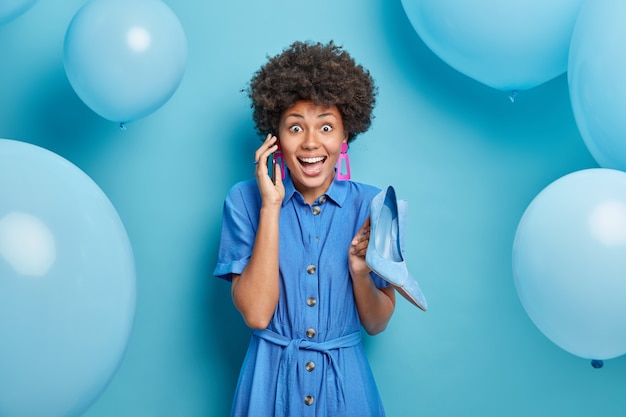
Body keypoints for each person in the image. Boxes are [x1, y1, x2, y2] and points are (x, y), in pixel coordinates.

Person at [214, 40, 396, 417]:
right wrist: (271, 206)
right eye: (295, 127)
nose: (311, 142)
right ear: (275, 138)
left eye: (326, 126)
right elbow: (257, 315)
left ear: (345, 135)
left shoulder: (374, 205)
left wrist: (360, 274)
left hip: (347, 390)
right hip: (269, 388)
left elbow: (377, 323)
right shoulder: (244, 201)